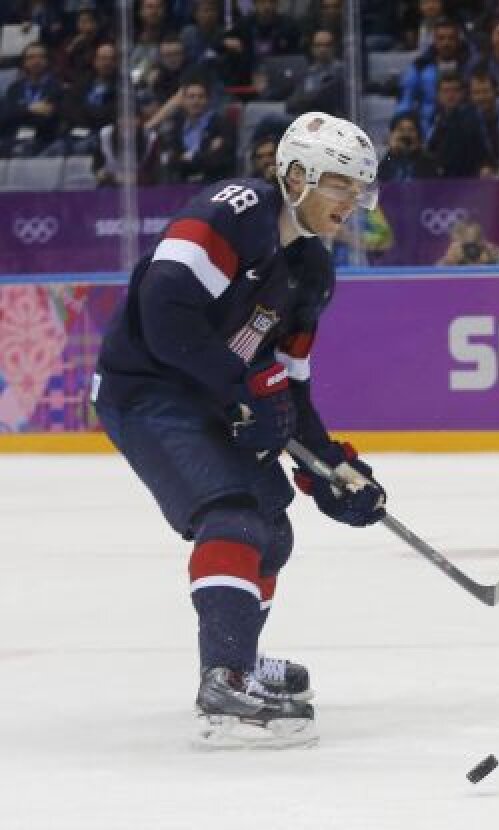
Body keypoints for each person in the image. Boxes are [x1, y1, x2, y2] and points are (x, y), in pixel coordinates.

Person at [91, 111, 387, 749]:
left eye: (359, 189)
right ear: (298, 175)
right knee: (231, 514)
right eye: (340, 184)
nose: (352, 202)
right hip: (144, 391)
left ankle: (241, 663)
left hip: (210, 394)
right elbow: (162, 309)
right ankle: (224, 681)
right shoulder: (237, 210)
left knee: (272, 524)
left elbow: (291, 387)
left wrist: (331, 468)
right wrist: (239, 392)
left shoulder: (312, 271)